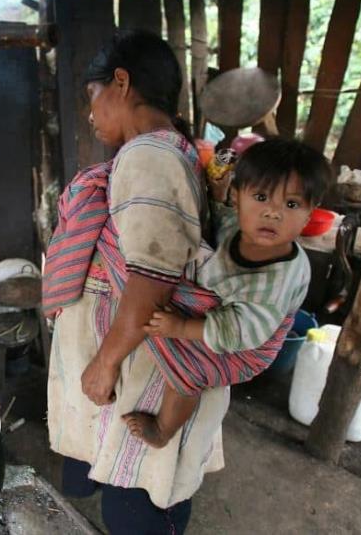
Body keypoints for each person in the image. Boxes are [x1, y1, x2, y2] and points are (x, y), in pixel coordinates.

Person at [42, 30, 228, 535]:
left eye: (92, 98)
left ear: (121, 83)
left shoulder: (150, 158)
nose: (89, 113)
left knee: (140, 501)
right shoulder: (168, 153)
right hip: (136, 358)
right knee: (131, 489)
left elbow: (152, 280)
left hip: (140, 367)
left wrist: (105, 363)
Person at [123, 138, 332, 448]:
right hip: (231, 312)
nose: (273, 213)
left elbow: (240, 332)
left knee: (189, 373)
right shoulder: (235, 223)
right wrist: (215, 193)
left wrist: (180, 327)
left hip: (251, 343)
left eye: (291, 204)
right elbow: (216, 220)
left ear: (309, 214)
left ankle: (162, 431)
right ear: (237, 197)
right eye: (261, 197)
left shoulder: (275, 278)